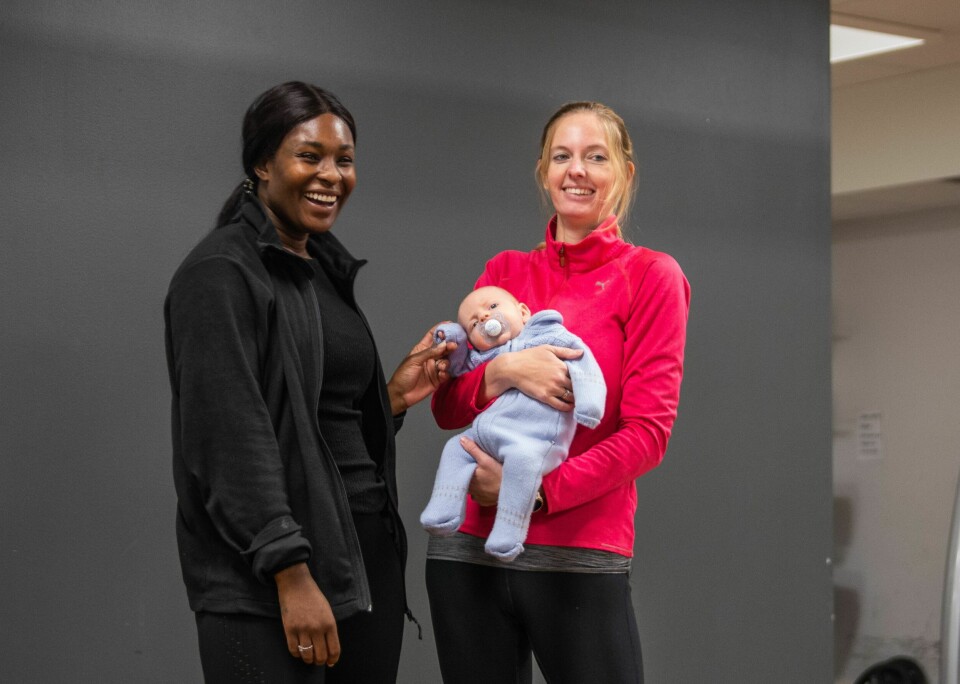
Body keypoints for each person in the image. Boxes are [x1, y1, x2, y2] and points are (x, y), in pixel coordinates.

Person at [164, 81, 451, 683]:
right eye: (309, 155)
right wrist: (290, 573)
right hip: (273, 577)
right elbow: (227, 440)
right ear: (261, 163)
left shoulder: (317, 265)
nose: (331, 175)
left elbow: (312, 413)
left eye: (344, 160)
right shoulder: (222, 273)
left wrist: (390, 398)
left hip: (362, 557)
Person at [425, 101, 691, 684]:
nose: (577, 171)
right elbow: (447, 406)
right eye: (562, 156)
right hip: (467, 551)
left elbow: (648, 435)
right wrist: (505, 373)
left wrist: (536, 493)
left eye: (595, 157)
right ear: (543, 169)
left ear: (624, 171)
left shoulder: (650, 276)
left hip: (578, 551)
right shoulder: (504, 272)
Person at [420, 285, 606, 561]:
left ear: (523, 312)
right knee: (454, 449)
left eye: (492, 308)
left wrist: (589, 403)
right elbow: (458, 374)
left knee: (522, 466)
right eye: (473, 323)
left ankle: (508, 533)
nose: (483, 317)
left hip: (534, 439)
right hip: (488, 436)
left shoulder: (547, 333)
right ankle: (443, 511)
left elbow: (580, 358)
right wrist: (454, 338)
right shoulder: (486, 355)